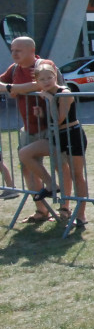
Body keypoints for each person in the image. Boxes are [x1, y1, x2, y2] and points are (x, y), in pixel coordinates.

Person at [10, 61, 90, 226]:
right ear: (37, 82)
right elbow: (53, 121)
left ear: (56, 77)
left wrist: (49, 100)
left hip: (72, 135)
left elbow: (60, 119)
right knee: (24, 153)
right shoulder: (49, 94)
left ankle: (81, 215)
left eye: (49, 77)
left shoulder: (64, 93)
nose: (46, 82)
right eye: (42, 79)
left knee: (77, 175)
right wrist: (41, 114)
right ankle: (52, 184)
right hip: (57, 136)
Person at [0, 36, 53, 218]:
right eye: (12, 50)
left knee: (63, 167)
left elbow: (41, 84)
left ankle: (66, 209)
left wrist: (14, 88)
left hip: (52, 127)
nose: (13, 54)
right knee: (27, 168)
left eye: (18, 50)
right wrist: (11, 88)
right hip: (29, 129)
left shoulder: (44, 65)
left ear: (31, 51)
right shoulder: (14, 69)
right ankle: (42, 209)